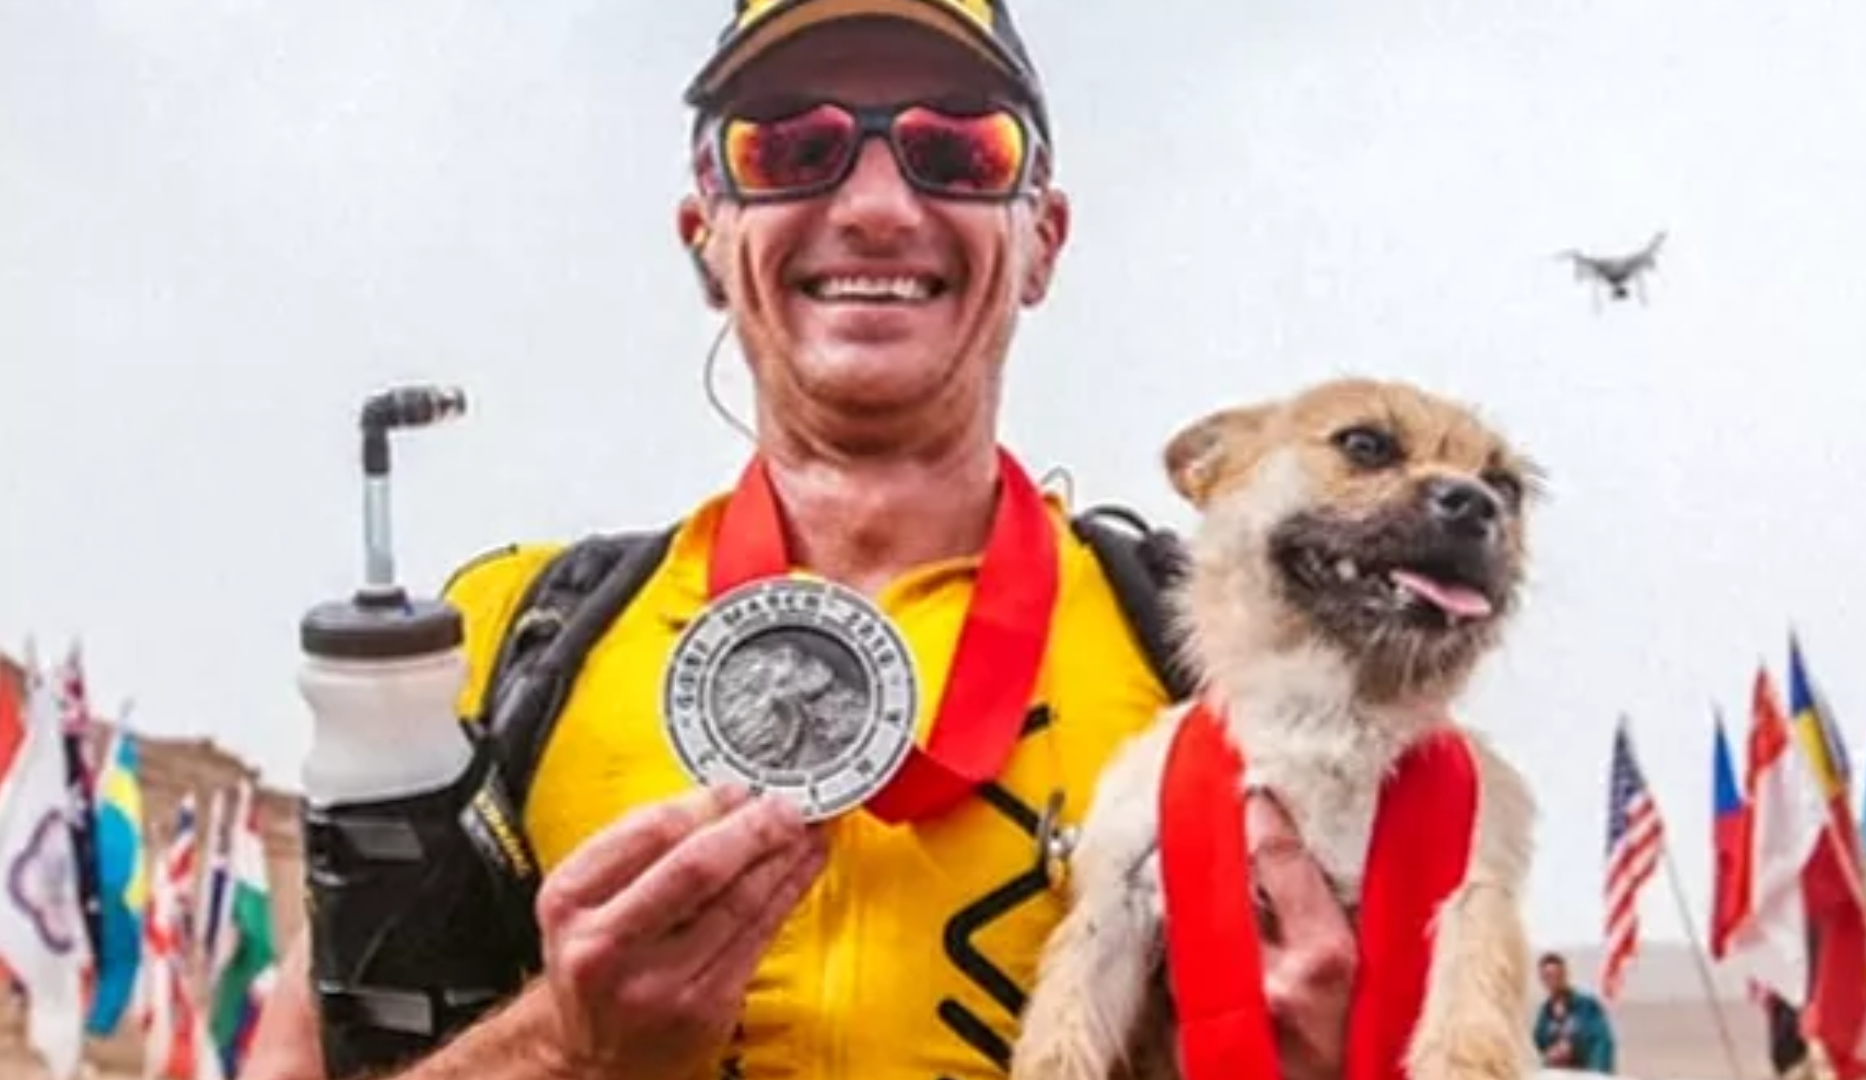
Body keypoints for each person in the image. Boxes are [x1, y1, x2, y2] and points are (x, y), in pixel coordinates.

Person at [242, 2, 1359, 1079]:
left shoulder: (1225, 664)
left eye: (956, 148)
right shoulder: (507, 645)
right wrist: (559, 1051)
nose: (875, 205)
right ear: (706, 236)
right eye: (790, 146)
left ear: (1043, 241)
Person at [1532, 952, 1618, 1074]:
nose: (1552, 980)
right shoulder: (1545, 1012)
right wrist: (1551, 1052)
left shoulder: (1587, 1005)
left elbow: (1603, 1043)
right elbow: (1540, 1041)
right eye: (1547, 976)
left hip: (1585, 1073)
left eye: (1557, 975)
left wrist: (1573, 1047)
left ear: (1565, 975)